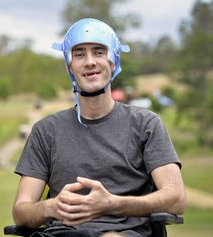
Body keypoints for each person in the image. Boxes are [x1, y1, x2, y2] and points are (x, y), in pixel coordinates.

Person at [11, 18, 186, 237]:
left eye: (99, 52)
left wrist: (111, 203)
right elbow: (21, 211)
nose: (90, 61)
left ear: (113, 61)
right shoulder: (46, 131)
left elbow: (176, 198)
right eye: (79, 54)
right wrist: (51, 207)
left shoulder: (146, 124)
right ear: (69, 64)